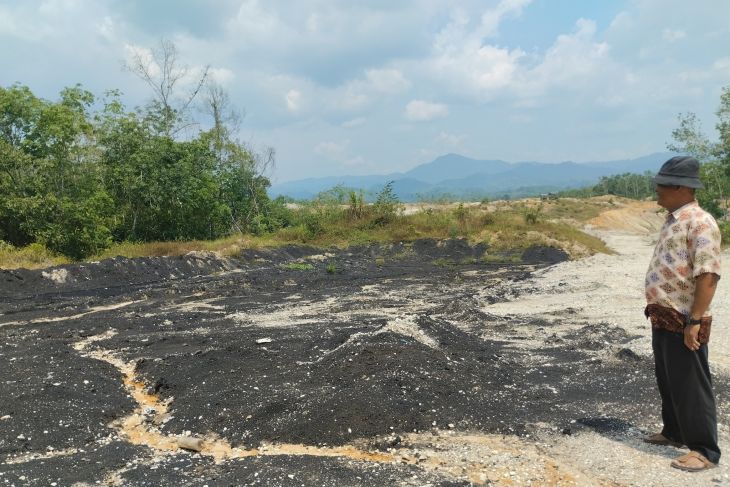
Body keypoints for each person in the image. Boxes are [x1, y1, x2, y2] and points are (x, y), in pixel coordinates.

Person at [642, 155, 722, 472]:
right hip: (664, 313)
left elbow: (708, 276)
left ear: (679, 187)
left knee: (691, 383)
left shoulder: (701, 223)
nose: (657, 190)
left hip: (685, 317)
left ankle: (704, 450)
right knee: (669, 378)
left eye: (661, 185)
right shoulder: (675, 219)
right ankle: (674, 431)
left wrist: (696, 320)